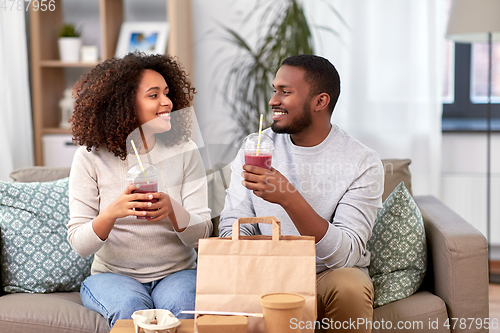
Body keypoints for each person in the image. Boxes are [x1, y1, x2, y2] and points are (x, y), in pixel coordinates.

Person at [219, 54, 384, 332]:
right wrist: (241, 256)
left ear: (320, 102)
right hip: (264, 270)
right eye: (275, 90)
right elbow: (234, 218)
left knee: (350, 286)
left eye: (286, 92)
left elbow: (346, 255)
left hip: (325, 275)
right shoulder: (256, 147)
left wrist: (288, 197)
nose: (273, 100)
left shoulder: (361, 161)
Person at [67, 52, 212, 328]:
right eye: (153, 95)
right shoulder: (91, 158)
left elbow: (203, 233)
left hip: (177, 273)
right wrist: (112, 213)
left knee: (184, 306)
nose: (167, 102)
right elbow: (79, 244)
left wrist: (172, 210)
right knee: (130, 308)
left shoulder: (185, 152)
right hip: (114, 276)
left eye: (167, 93)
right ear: (124, 104)